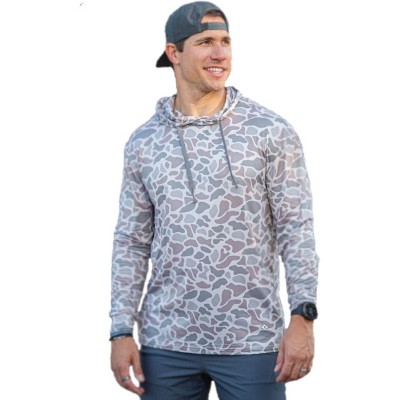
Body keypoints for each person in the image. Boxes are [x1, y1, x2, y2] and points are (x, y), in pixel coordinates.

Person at [109, 2, 319, 399]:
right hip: (165, 342)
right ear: (174, 53)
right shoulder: (144, 142)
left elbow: (296, 229)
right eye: (205, 42)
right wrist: (120, 330)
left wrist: (303, 315)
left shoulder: (270, 131)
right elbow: (131, 241)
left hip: (253, 341)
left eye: (225, 41)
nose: (220, 53)